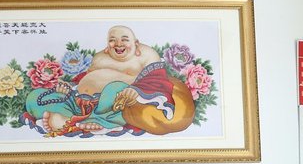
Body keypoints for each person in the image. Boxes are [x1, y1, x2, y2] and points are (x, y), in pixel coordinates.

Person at [25, 25, 194, 136]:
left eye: (124, 40)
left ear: (136, 44)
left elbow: (156, 80)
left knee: (115, 89)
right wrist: (66, 87)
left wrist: (135, 91)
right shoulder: (100, 57)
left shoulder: (146, 56)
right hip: (80, 101)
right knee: (35, 97)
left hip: (112, 105)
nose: (118, 44)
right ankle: (74, 117)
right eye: (112, 40)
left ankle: (86, 121)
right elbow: (84, 80)